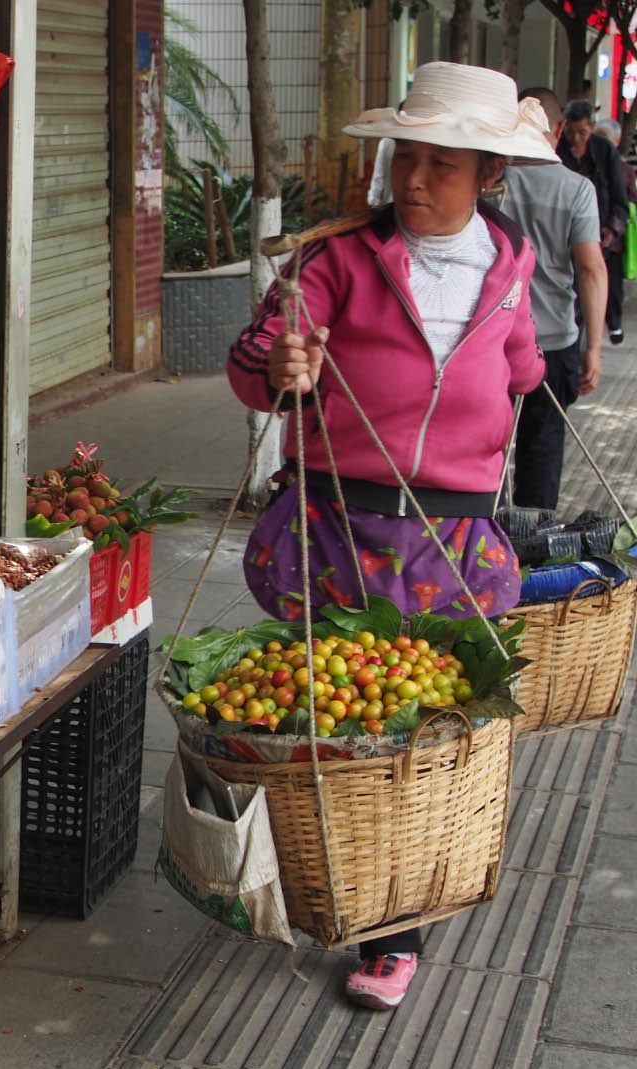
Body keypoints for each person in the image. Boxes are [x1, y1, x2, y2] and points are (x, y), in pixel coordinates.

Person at [228, 62, 550, 1012]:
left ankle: (393, 924)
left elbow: (524, 364)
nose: (413, 180)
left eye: (441, 166)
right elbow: (260, 362)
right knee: (330, 718)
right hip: (335, 524)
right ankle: (323, 877)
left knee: (421, 733)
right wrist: (281, 362)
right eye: (405, 158)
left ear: (489, 176)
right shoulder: (334, 258)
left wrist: (522, 381)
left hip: (454, 542)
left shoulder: (510, 263)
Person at [499, 88, 607, 510]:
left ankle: (482, 552)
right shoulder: (577, 190)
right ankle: (534, 554)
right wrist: (593, 347)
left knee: (484, 449)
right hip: (554, 343)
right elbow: (591, 269)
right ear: (559, 129)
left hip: (494, 343)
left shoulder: (490, 184)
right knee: (541, 453)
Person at [557, 100, 628, 342]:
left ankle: (597, 335)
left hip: (600, 235)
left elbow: (620, 197)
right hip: (564, 236)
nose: (576, 139)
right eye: (571, 132)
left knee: (595, 285)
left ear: (591, 129)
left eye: (582, 133)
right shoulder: (557, 149)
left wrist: (611, 230)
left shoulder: (604, 150)